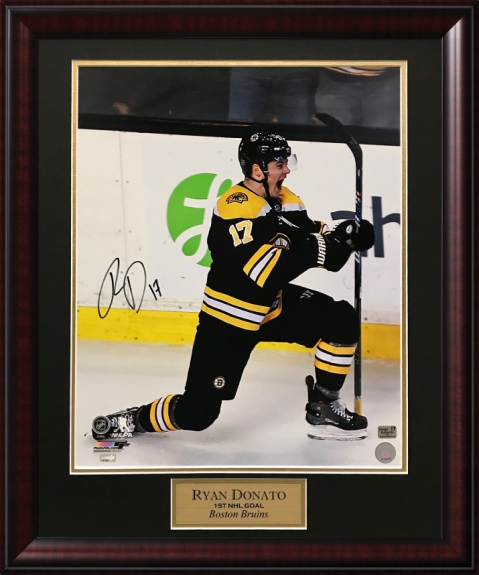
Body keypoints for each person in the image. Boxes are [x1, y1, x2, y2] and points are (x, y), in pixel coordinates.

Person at [91, 133, 375, 442]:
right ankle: (130, 421)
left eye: (286, 162)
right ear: (257, 170)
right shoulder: (234, 208)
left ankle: (324, 406)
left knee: (341, 320)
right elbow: (267, 270)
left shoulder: (286, 199)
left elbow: (312, 233)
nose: (286, 170)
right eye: (279, 164)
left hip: (272, 308)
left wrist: (347, 233)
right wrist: (323, 247)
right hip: (229, 321)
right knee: (197, 414)